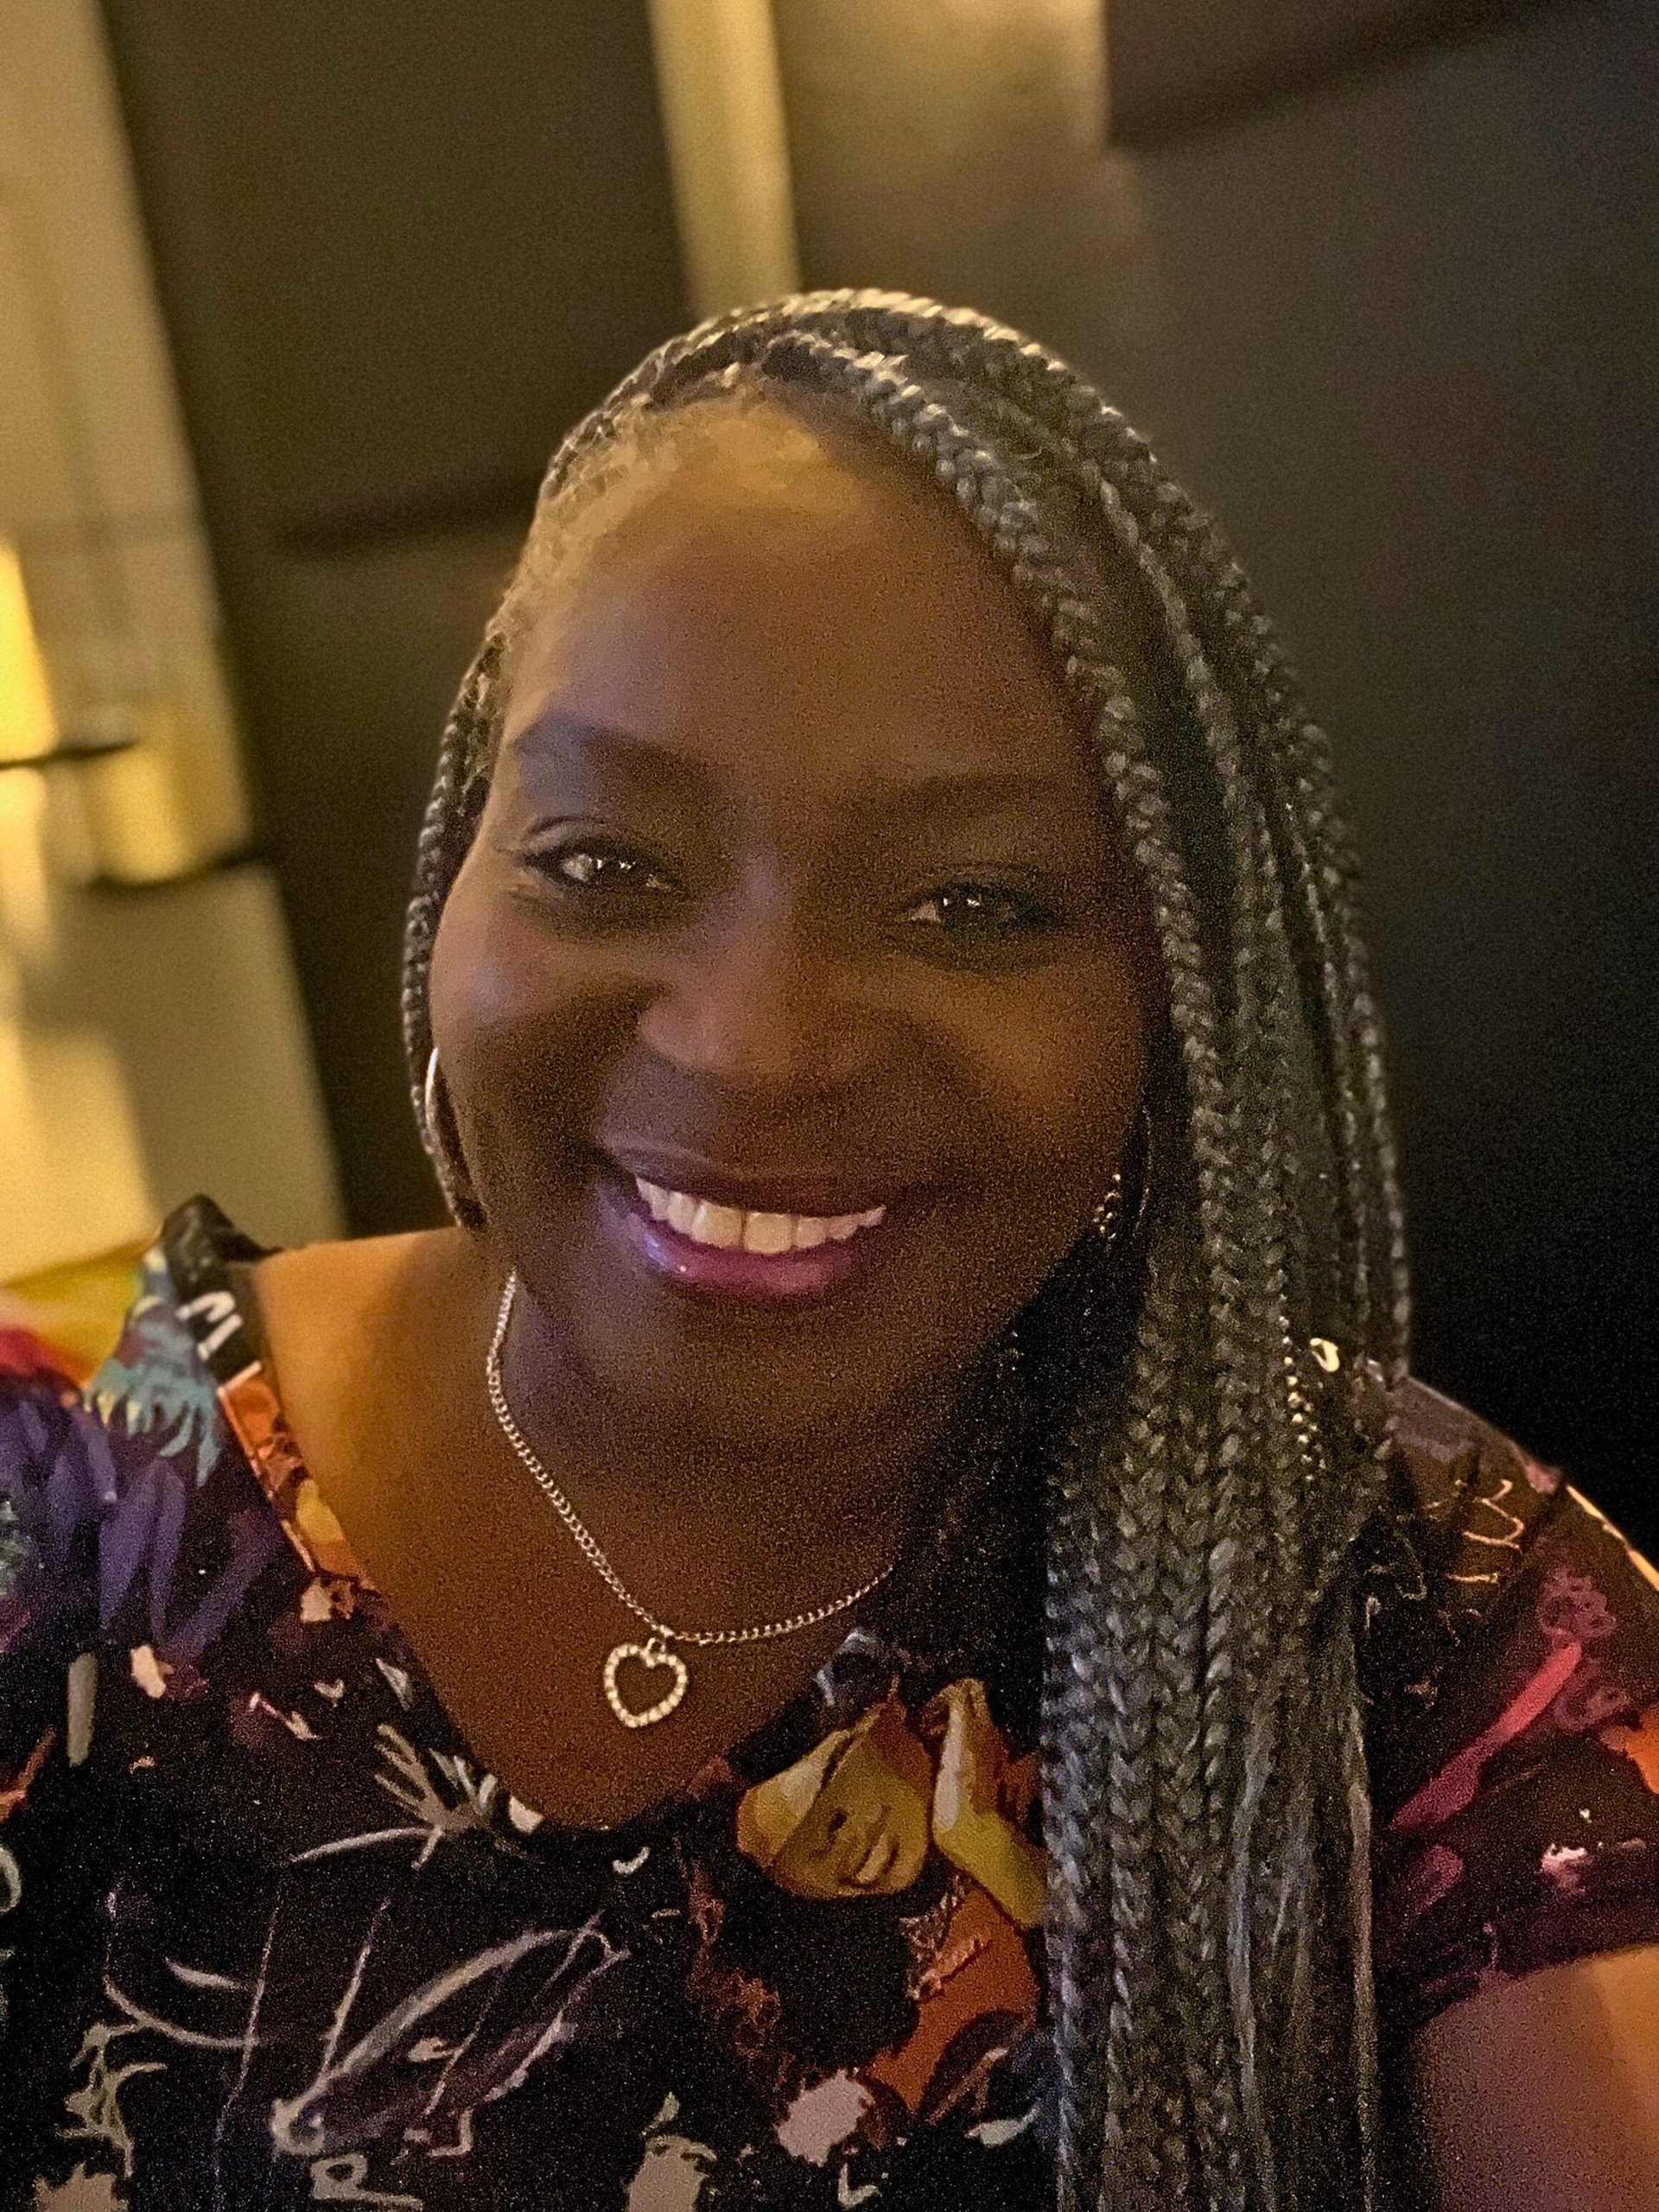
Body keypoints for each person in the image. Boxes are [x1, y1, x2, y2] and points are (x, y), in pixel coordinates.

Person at [1, 290, 1656, 2210]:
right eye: (605, 861)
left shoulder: (1413, 1624)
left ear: (1175, 993)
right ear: (465, 855)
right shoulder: (77, 1517)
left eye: (974, 900)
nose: (753, 1045)